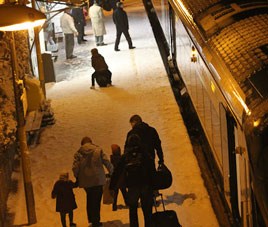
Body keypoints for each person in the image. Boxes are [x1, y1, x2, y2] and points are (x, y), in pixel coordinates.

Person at [110, 134, 155, 227]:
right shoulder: (145, 154)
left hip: (132, 186)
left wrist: (112, 186)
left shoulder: (126, 155)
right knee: (147, 212)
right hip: (145, 185)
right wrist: (154, 185)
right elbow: (152, 169)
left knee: (133, 210)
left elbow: (117, 171)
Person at [72, 136, 113, 227]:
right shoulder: (98, 150)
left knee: (89, 198)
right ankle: (96, 221)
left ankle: (91, 218)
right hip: (98, 180)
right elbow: (106, 162)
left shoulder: (78, 153)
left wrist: (77, 177)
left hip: (85, 181)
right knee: (96, 200)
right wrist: (112, 172)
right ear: (91, 142)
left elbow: (75, 167)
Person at [110, 144, 128, 211]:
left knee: (115, 194)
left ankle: (114, 205)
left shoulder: (112, 159)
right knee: (124, 192)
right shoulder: (121, 159)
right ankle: (127, 202)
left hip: (115, 180)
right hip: (122, 179)